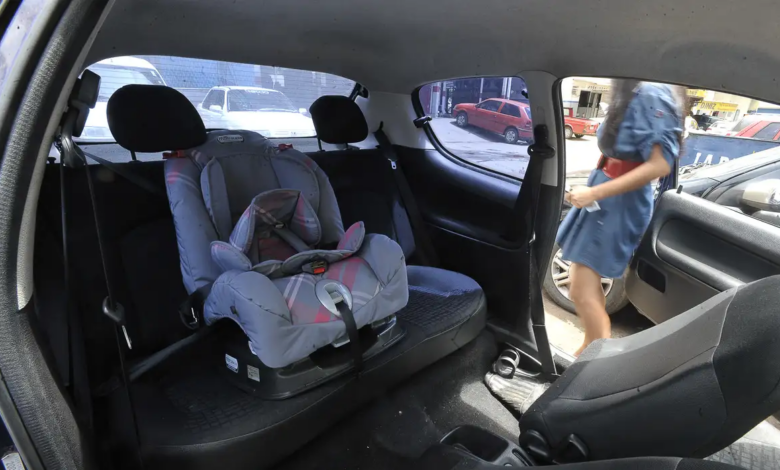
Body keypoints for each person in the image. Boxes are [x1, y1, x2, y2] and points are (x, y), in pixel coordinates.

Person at [557, 80, 685, 356]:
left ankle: (593, 353)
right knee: (581, 286)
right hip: (605, 195)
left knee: (581, 290)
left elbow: (660, 164)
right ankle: (591, 349)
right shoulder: (632, 90)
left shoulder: (652, 92)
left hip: (619, 203)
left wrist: (595, 193)